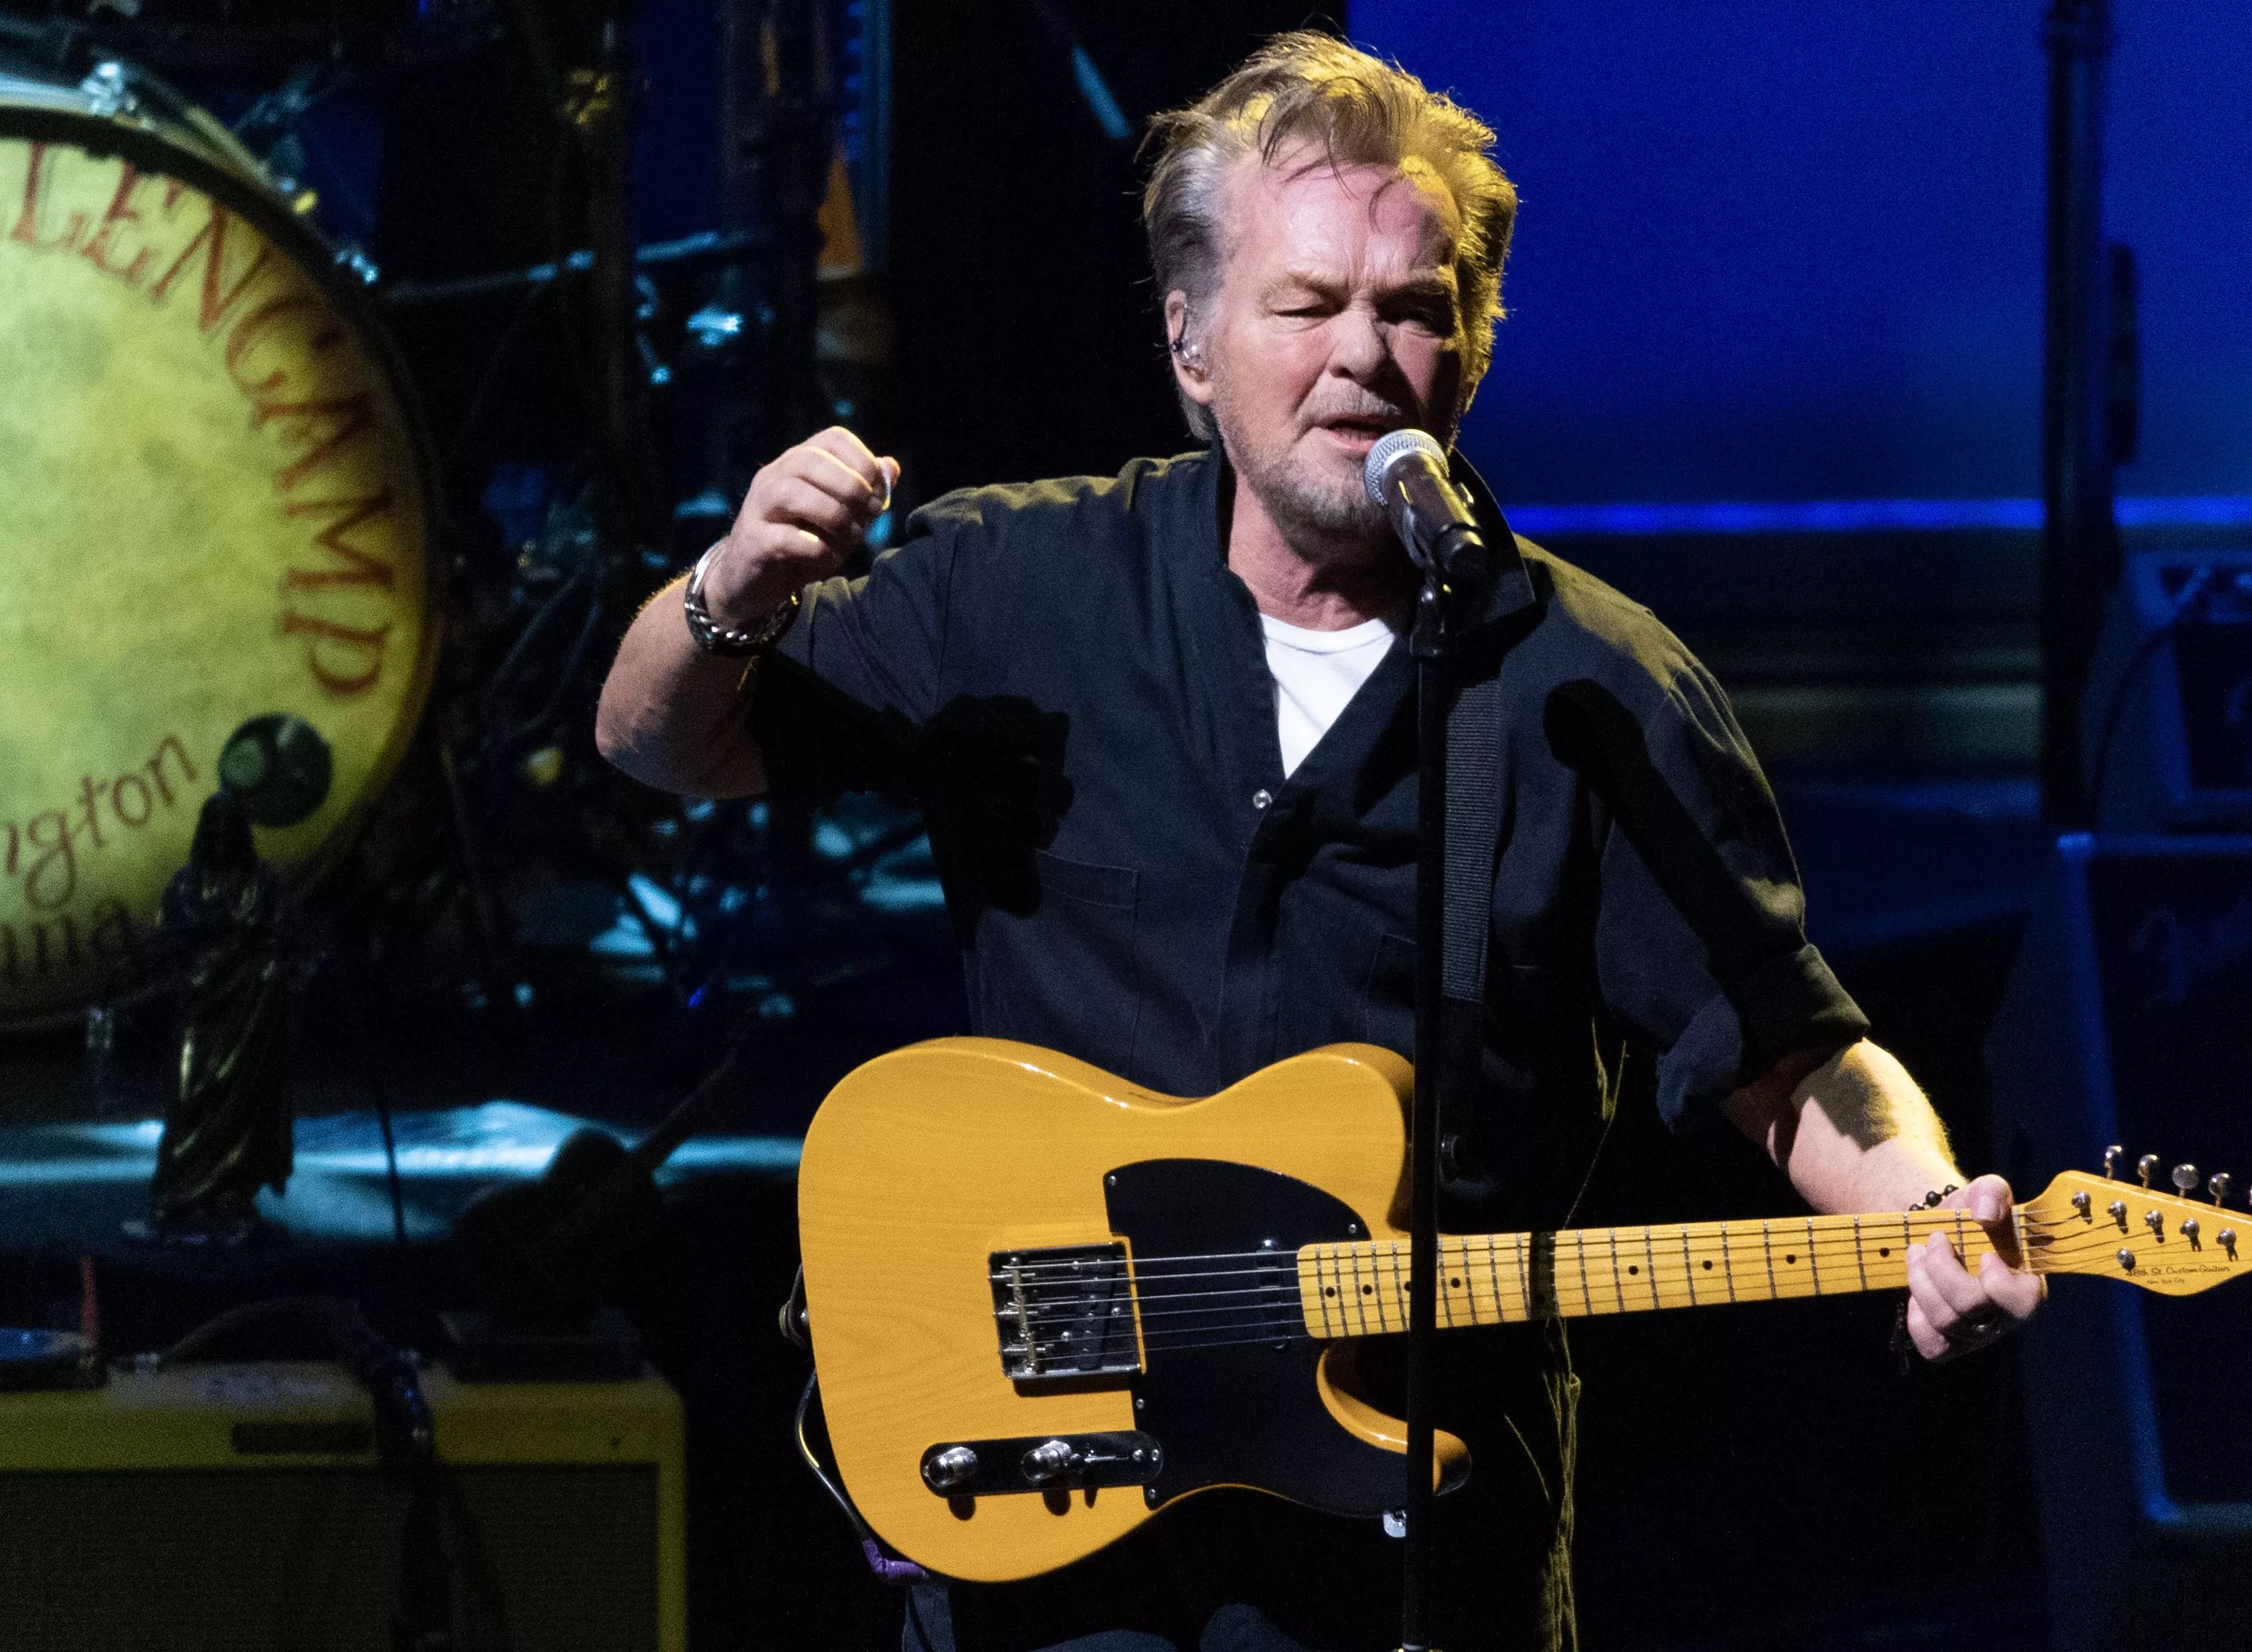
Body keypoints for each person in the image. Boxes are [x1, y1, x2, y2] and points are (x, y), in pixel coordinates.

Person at [599, 31, 2042, 1652]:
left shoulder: (1593, 689)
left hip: (1407, 1559)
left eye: (1414, 308)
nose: (1365, 352)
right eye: (1307, 305)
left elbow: (1787, 1053)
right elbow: (660, 744)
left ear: (1473, 348)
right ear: (1190, 341)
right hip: (1054, 1522)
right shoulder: (1019, 590)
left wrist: (1930, 1208)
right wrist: (727, 590)